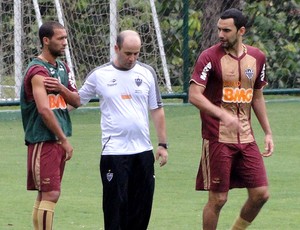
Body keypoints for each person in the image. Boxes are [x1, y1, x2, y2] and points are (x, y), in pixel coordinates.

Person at [189, 8, 274, 230]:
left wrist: (267, 132)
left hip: (246, 137)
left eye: (226, 30)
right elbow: (194, 95)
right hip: (217, 139)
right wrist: (222, 114)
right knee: (218, 200)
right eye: (219, 29)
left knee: (261, 194)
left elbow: (256, 96)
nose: (220, 34)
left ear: (241, 30)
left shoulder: (257, 58)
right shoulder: (209, 57)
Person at [76, 30, 168, 230]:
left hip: (143, 152)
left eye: (136, 53)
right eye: (128, 53)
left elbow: (157, 109)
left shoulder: (147, 73)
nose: (132, 58)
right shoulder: (99, 75)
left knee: (141, 210)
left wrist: (162, 144)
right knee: (115, 210)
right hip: (114, 153)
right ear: (116, 48)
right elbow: (75, 101)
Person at [20, 21, 80, 230]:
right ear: (46, 41)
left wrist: (61, 88)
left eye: (65, 38)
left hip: (55, 139)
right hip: (43, 139)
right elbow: (44, 110)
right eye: (60, 38)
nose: (65, 43)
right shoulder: (37, 70)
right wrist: (64, 140)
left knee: (46, 194)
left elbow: (77, 100)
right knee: (51, 193)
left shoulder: (63, 67)